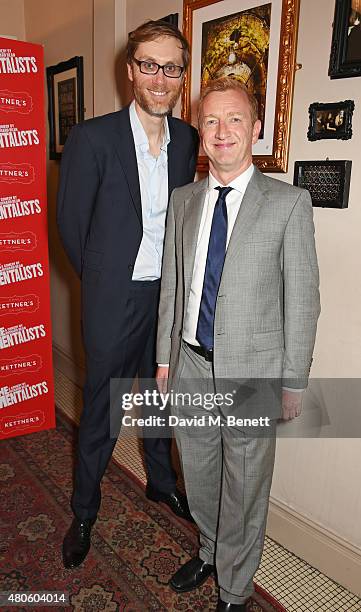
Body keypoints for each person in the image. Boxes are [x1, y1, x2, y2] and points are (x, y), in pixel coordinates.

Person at [156, 77, 320, 611]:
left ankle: (235, 588)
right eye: (209, 120)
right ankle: (208, 548)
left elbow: (303, 301)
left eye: (233, 120)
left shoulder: (288, 203)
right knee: (199, 475)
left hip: (253, 375)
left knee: (245, 486)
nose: (221, 131)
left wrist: (292, 381)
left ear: (255, 129)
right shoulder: (183, 201)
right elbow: (173, 286)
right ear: (198, 130)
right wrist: (164, 359)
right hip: (189, 365)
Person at [57, 19, 199, 570]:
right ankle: (85, 509)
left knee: (163, 399)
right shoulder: (93, 137)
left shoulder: (188, 138)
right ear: (130, 70)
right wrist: (104, 281)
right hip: (114, 301)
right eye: (149, 65)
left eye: (171, 68)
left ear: (181, 75)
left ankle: (160, 483)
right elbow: (72, 227)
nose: (160, 79)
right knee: (104, 408)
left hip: (167, 301)